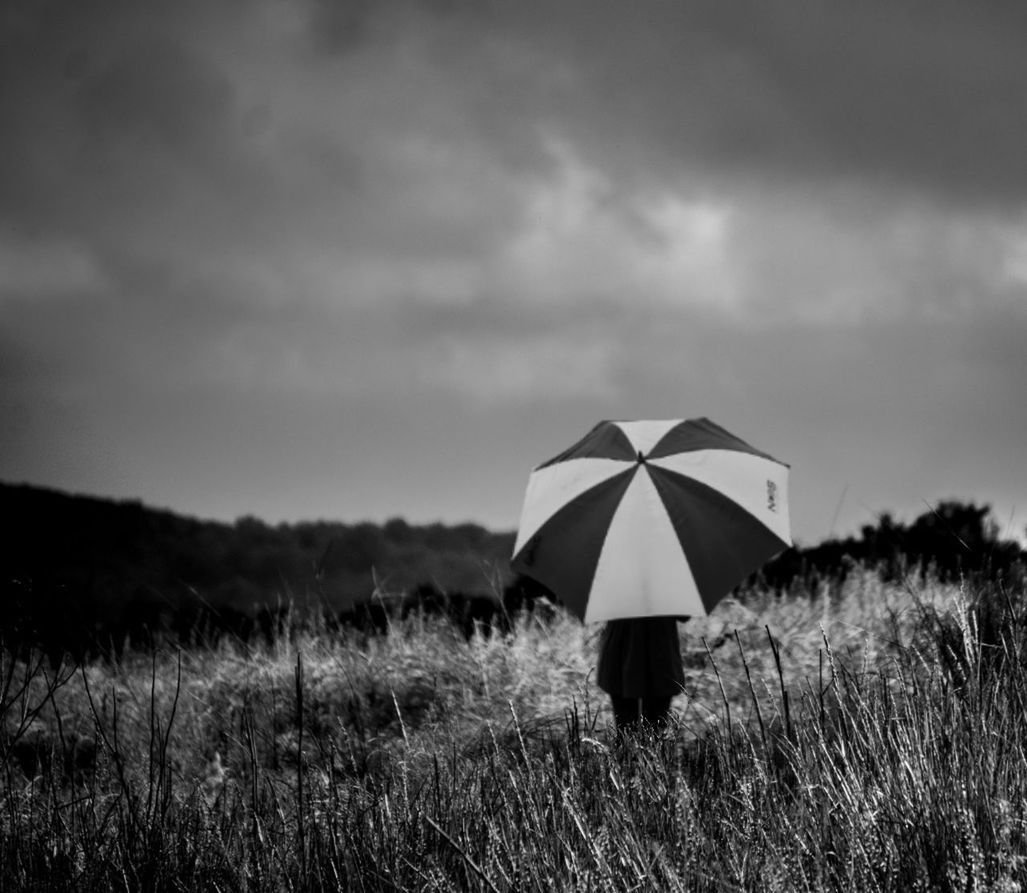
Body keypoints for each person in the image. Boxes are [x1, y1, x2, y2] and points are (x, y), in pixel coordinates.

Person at [596, 616, 686, 733]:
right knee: (644, 730)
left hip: (628, 654)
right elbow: (684, 614)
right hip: (656, 653)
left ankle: (632, 749)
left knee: (633, 729)